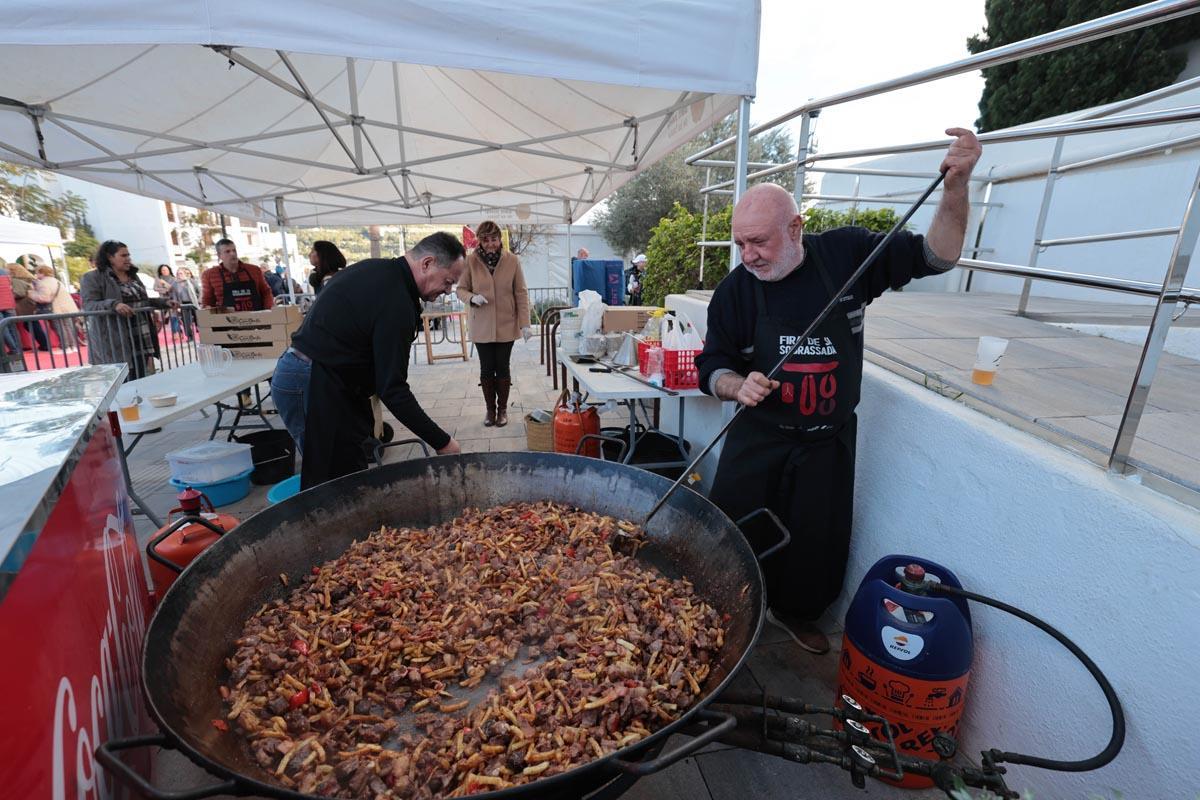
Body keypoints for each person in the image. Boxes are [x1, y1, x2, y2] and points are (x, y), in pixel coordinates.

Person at [696, 128, 982, 655]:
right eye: (740, 243)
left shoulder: (845, 255)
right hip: (758, 435)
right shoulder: (736, 291)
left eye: (759, 241)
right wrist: (737, 385)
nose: (748, 255)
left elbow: (938, 257)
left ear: (796, 227)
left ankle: (797, 614)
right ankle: (722, 617)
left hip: (827, 439)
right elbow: (712, 364)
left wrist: (957, 187)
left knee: (815, 545)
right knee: (732, 531)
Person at [289, 232, 466, 489]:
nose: (448, 290)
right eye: (448, 281)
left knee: (351, 467)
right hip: (311, 374)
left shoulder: (382, 271)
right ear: (427, 263)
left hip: (335, 375)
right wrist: (442, 442)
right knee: (326, 484)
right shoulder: (396, 301)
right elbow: (392, 388)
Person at [456, 220, 532, 428]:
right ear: (479, 241)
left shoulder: (512, 261)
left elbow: (521, 293)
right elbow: (460, 289)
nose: (490, 244)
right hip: (481, 324)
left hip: (506, 324)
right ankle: (490, 410)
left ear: (500, 239)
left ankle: (503, 410)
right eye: (485, 240)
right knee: (486, 368)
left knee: (503, 367)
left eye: (494, 239)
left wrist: (525, 323)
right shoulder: (470, 261)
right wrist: (472, 298)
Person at [81, 240, 178, 380]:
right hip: (115, 340)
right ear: (110, 257)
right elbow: (89, 305)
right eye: (123, 255)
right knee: (124, 384)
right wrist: (114, 305)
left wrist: (164, 302)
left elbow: (140, 301)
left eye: (128, 255)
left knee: (143, 379)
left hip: (141, 336)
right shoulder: (92, 277)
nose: (128, 259)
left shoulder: (133, 275)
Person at [200, 239, 274, 311]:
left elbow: (266, 292)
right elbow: (207, 300)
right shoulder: (209, 275)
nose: (232, 254)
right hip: (226, 321)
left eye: (234, 250)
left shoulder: (254, 270)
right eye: (227, 252)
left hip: (258, 319)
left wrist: (268, 310)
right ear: (219, 255)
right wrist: (207, 309)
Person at [31, 265, 81, 348]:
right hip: (66, 306)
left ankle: (65, 345)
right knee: (67, 326)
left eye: (37, 273)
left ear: (42, 273)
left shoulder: (43, 283)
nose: (36, 275)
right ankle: (73, 345)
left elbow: (44, 298)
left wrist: (31, 294)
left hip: (55, 308)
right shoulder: (56, 281)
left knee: (59, 327)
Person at [170, 266, 201, 339]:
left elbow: (199, 291)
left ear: (184, 274)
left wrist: (199, 300)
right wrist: (177, 306)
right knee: (186, 322)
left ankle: (202, 334)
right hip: (183, 304)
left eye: (180, 273)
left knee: (198, 319)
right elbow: (174, 295)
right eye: (178, 274)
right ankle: (190, 336)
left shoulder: (191, 281)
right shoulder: (175, 284)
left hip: (193, 303)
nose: (179, 275)